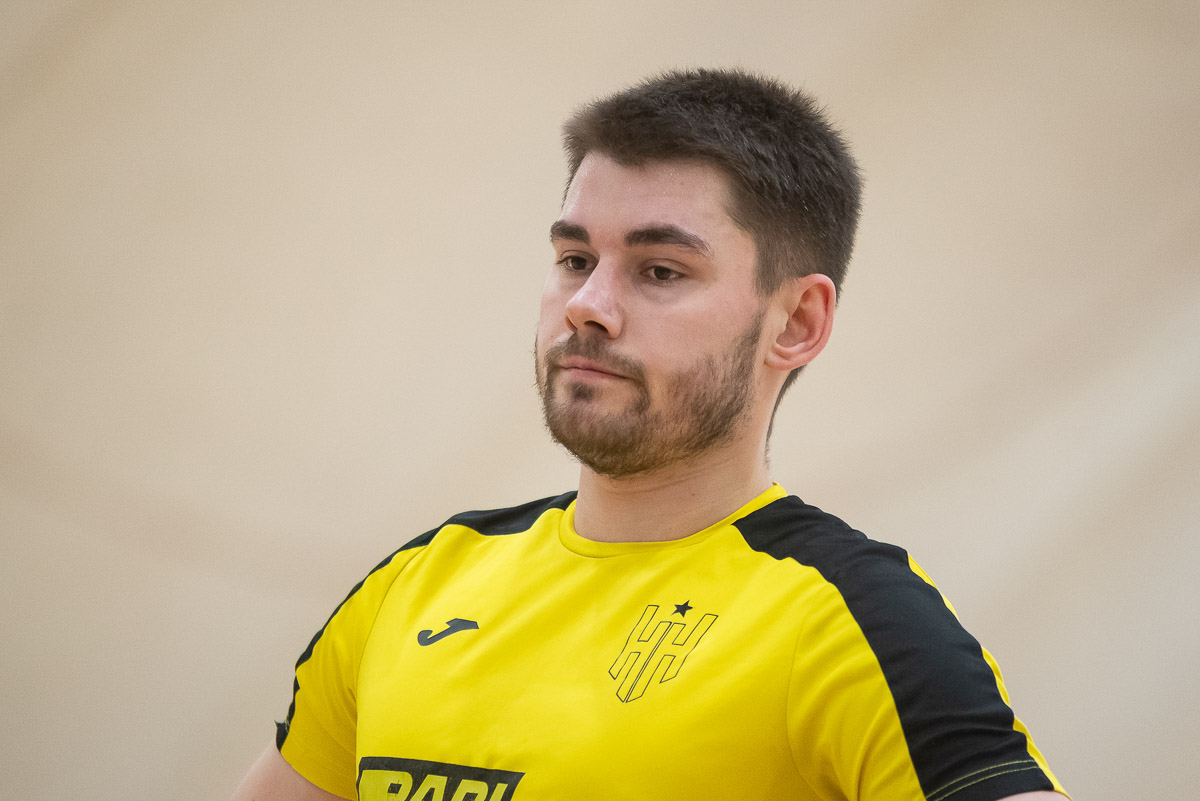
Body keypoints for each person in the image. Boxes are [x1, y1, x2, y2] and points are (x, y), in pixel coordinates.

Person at [232, 69, 1068, 801]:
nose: (587, 305)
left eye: (660, 270)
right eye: (574, 260)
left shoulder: (851, 621)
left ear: (797, 322)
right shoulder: (412, 586)